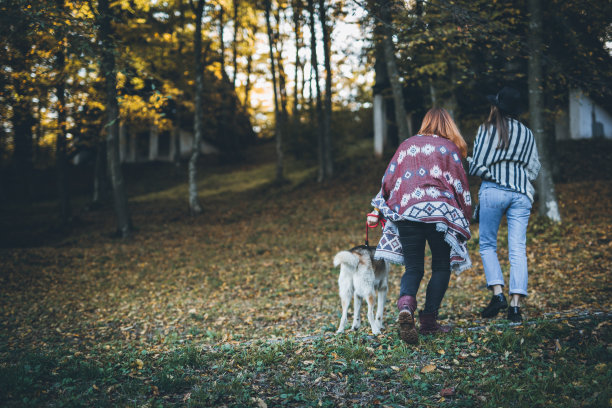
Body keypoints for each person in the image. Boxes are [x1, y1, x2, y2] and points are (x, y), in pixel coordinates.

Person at [368, 107, 472, 344]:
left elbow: (389, 179)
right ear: (448, 125)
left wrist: (378, 207)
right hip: (440, 216)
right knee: (441, 267)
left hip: (408, 214)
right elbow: (461, 186)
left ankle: (406, 306)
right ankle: (429, 321)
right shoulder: (450, 149)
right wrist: (465, 217)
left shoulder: (407, 145)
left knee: (413, 267)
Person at [468, 86, 541, 323]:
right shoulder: (527, 134)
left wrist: (485, 169)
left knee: (488, 244)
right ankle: (515, 308)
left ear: (496, 107)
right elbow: (533, 169)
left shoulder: (487, 130)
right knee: (517, 248)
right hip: (521, 194)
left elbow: (477, 165)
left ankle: (498, 293)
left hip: (493, 191)